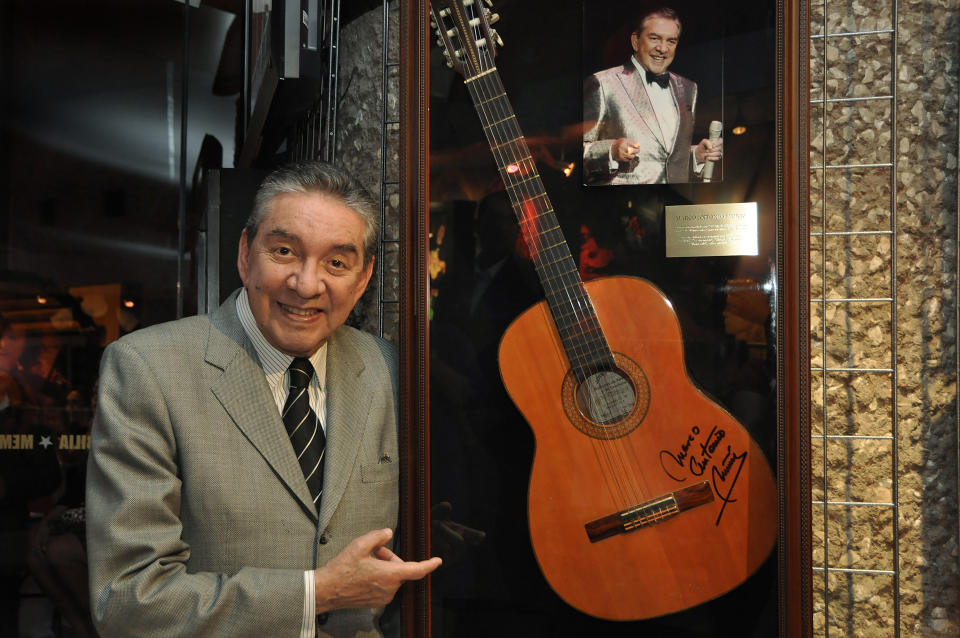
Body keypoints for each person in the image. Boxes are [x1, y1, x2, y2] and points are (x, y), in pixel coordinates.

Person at [85, 161, 441, 637]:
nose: (307, 284)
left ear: (363, 278)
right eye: (284, 251)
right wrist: (318, 592)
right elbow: (128, 600)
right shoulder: (148, 369)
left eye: (337, 262)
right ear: (245, 255)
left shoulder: (394, 371)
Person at [583, 6, 722, 185]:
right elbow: (579, 152)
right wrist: (611, 150)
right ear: (635, 41)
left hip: (671, 200)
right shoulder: (602, 83)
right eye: (654, 38)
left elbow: (663, 155)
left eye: (671, 41)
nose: (662, 48)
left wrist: (695, 155)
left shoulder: (688, 88)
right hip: (620, 203)